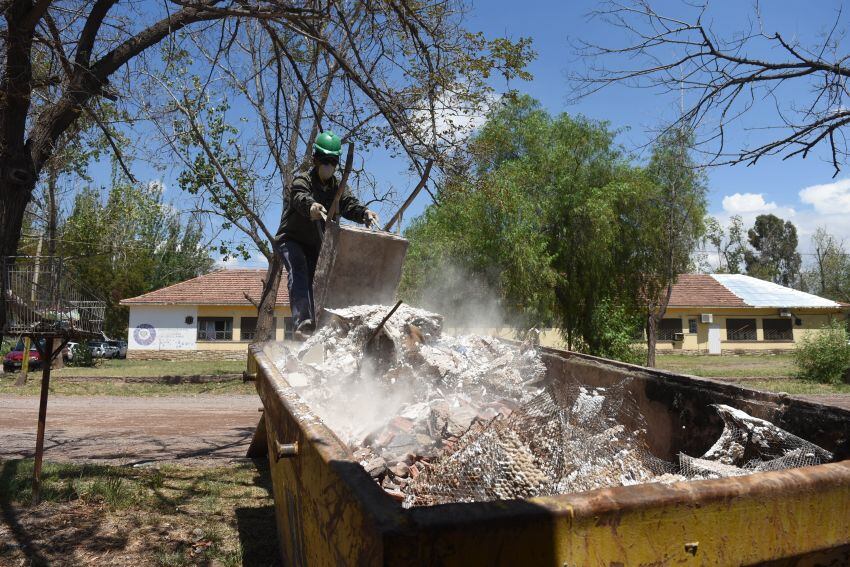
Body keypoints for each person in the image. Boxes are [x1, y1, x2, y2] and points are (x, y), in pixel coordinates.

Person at [275, 131, 378, 340]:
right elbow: (300, 196)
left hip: (316, 245)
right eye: (325, 160)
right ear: (315, 159)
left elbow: (349, 204)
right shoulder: (302, 180)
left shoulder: (337, 189)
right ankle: (303, 323)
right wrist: (311, 206)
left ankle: (320, 331)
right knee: (299, 270)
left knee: (320, 281)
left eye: (333, 161)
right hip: (291, 240)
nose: (328, 165)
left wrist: (364, 213)